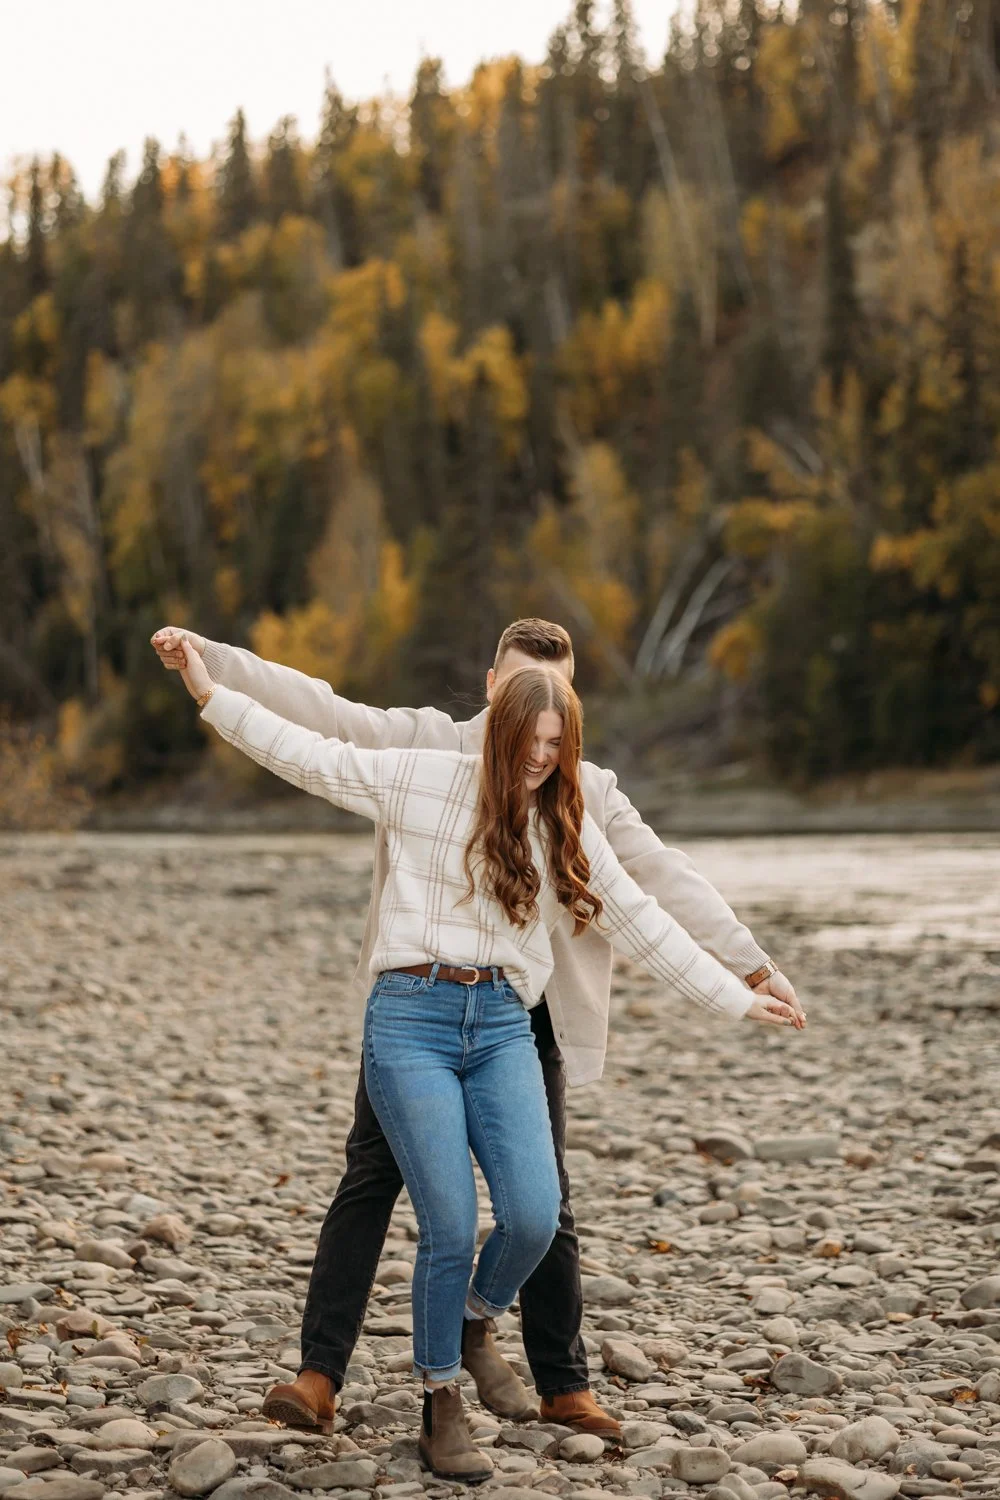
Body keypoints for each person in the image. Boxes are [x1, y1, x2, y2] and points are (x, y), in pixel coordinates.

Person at [152, 618, 804, 1439]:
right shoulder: (424, 752)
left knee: (542, 1206)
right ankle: (325, 1375)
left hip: (523, 1017)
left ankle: (561, 1383)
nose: (541, 742)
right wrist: (211, 668)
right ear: (495, 681)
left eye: (559, 710)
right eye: (528, 695)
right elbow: (313, 723)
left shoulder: (581, 791)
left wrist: (746, 972)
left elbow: (658, 892)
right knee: (376, 1186)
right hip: (413, 1011)